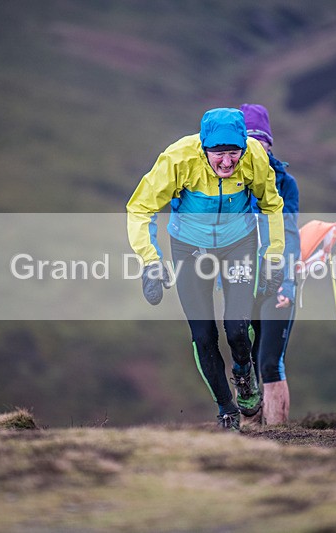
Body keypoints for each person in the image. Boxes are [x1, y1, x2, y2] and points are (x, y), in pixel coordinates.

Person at [126, 108, 285, 431]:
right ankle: (226, 408)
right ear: (204, 148)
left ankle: (244, 375)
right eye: (219, 155)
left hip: (238, 244)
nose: (227, 163)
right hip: (190, 247)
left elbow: (271, 205)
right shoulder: (178, 158)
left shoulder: (254, 156)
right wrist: (150, 261)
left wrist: (273, 256)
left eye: (233, 153)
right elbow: (140, 207)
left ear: (243, 146)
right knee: (203, 335)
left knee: (237, 328)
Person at [239, 104, 300, 426]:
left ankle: (277, 435)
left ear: (269, 144)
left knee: (269, 362)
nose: (256, 151)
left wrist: (287, 282)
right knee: (245, 362)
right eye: (249, 144)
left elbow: (289, 234)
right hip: (243, 281)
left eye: (260, 143)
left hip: (277, 281)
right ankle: (251, 438)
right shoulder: (230, 182)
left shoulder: (285, 183)